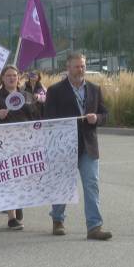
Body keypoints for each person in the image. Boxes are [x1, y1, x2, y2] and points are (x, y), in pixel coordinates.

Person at [45, 52, 112, 240]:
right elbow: (48, 119)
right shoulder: (55, 91)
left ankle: (94, 226)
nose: (80, 69)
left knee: (91, 184)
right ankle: (57, 219)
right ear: (68, 68)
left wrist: (96, 118)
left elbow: (105, 115)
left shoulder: (94, 89)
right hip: (64, 146)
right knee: (63, 184)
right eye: (76, 66)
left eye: (82, 66)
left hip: (88, 146)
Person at [0, 65, 39, 230]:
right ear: (2, 78)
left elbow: (36, 117)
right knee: (9, 178)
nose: (12, 78)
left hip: (24, 143)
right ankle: (12, 217)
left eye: (14, 75)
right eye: (8, 76)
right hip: (3, 144)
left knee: (20, 177)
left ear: (18, 78)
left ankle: (16, 205)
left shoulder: (27, 96)